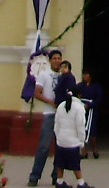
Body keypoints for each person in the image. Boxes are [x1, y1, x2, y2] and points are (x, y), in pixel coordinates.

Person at [27, 49, 66, 187]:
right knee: (44, 146)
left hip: (62, 115)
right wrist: (51, 102)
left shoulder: (64, 75)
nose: (57, 61)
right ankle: (34, 175)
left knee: (60, 147)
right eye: (54, 58)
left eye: (59, 58)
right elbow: (37, 93)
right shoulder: (44, 75)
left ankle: (57, 176)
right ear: (50, 60)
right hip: (49, 114)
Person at [51, 82, 92, 188]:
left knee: (60, 163)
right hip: (73, 142)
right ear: (79, 95)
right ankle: (81, 183)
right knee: (75, 164)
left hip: (61, 140)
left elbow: (56, 124)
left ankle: (59, 182)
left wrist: (58, 138)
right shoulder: (79, 108)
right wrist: (82, 142)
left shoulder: (61, 106)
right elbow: (80, 127)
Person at [76, 70, 103, 159]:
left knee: (92, 130)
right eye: (83, 74)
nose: (84, 76)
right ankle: (84, 151)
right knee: (81, 128)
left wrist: (90, 105)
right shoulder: (81, 85)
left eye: (86, 74)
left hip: (92, 111)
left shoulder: (96, 86)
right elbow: (75, 93)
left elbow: (99, 98)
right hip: (82, 109)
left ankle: (94, 149)